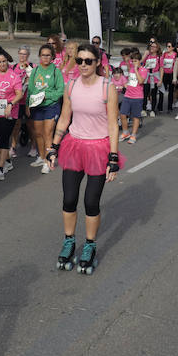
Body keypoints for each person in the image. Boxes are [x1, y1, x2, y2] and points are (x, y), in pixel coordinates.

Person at [46, 44, 121, 276]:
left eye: (89, 61)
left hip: (99, 148)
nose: (84, 65)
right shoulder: (72, 86)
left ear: (98, 62)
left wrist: (114, 157)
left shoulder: (107, 87)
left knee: (90, 201)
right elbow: (64, 119)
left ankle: (89, 244)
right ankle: (69, 241)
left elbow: (112, 125)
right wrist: (53, 147)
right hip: (74, 145)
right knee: (69, 199)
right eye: (80, 61)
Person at [0, 48, 24, 182]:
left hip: (9, 113)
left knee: (3, 138)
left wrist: (11, 104)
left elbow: (19, 94)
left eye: (4, 61)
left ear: (7, 62)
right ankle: (7, 161)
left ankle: (0, 169)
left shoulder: (14, 76)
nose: (2, 64)